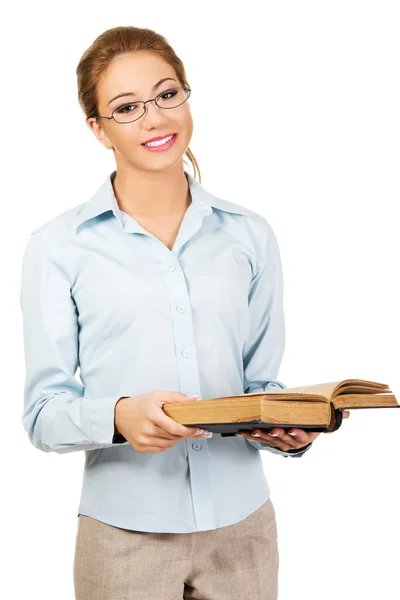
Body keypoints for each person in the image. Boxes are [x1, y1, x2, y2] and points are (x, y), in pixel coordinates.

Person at [20, 25, 349, 600]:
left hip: (244, 529)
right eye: (127, 107)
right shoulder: (58, 246)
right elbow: (43, 413)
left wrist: (287, 429)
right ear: (98, 130)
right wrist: (119, 417)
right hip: (123, 536)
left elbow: (258, 384)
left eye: (167, 94)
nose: (154, 118)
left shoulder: (250, 236)